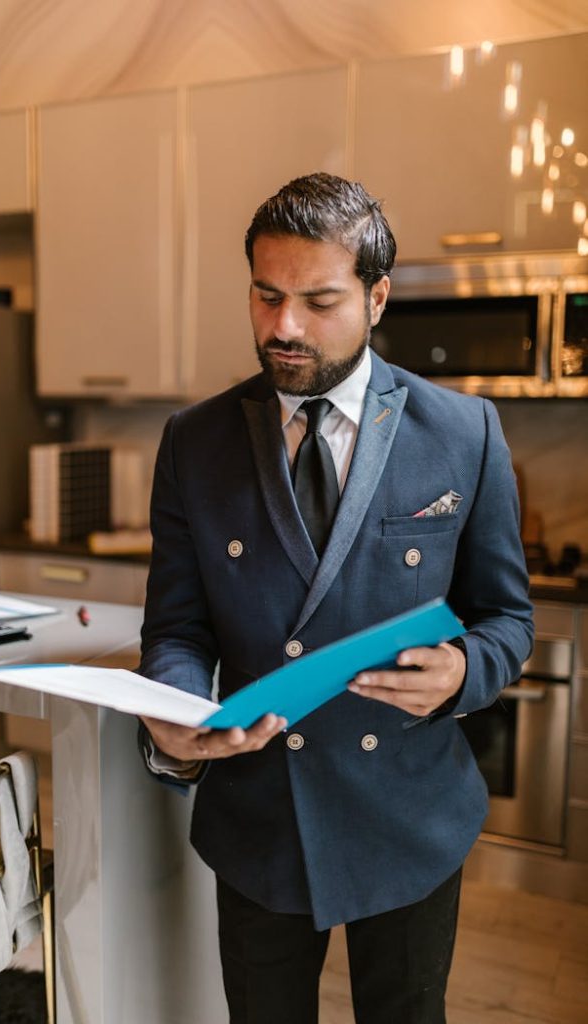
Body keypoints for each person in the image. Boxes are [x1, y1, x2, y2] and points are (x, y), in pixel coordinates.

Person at [138, 172, 533, 1024]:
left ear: (376, 296)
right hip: (258, 816)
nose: (283, 326)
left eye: (318, 300)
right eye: (266, 295)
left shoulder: (464, 432)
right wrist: (171, 702)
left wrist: (463, 671)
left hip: (409, 814)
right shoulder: (192, 442)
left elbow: (508, 620)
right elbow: (177, 625)